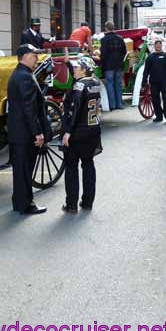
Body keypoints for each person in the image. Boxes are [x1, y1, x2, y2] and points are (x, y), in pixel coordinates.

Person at [7, 44, 50, 215]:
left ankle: (19, 202)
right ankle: (26, 204)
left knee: (20, 170)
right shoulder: (24, 76)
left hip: (17, 131)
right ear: (25, 56)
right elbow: (29, 108)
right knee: (25, 171)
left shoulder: (18, 74)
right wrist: (37, 133)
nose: (37, 58)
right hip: (25, 133)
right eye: (34, 55)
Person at [61, 55, 102, 213]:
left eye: (76, 68)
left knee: (71, 166)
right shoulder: (96, 82)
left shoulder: (79, 85)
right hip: (93, 129)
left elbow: (74, 108)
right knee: (88, 164)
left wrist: (67, 132)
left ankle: (71, 204)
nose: (74, 70)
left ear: (84, 69)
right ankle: (87, 201)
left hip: (78, 131)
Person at [142, 39, 166, 123]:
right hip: (154, 82)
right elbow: (146, 70)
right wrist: (144, 81)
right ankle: (159, 116)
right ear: (154, 46)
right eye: (156, 45)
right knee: (155, 100)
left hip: (165, 82)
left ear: (161, 46)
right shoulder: (150, 57)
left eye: (159, 44)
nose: (158, 46)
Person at [99, 21, 126, 110]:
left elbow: (103, 54)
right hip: (119, 65)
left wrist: (102, 65)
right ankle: (119, 104)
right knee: (118, 84)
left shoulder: (104, 40)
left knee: (110, 84)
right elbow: (124, 52)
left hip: (108, 65)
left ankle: (112, 105)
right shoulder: (120, 38)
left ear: (106, 28)